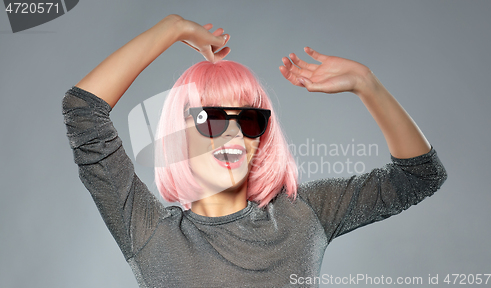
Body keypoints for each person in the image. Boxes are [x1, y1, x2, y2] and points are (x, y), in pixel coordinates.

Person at [62, 15, 447, 288]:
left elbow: (420, 176)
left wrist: (367, 84)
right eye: (211, 120)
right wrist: (172, 28)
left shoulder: (303, 214)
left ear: (259, 139)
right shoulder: (148, 232)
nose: (231, 135)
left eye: (248, 121)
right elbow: (83, 111)